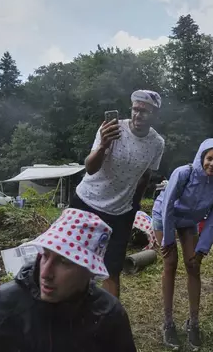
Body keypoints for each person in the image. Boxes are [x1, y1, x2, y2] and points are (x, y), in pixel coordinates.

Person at [0, 208, 137, 352]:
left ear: (89, 271)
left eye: (63, 262)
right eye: (45, 255)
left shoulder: (109, 314)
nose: (46, 273)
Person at [71, 90, 165, 297]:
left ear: (155, 115)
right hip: (86, 202)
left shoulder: (157, 143)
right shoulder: (112, 129)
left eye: (145, 112)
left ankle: (111, 320)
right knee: (72, 262)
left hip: (120, 213)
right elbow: (90, 168)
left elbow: (145, 176)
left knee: (112, 271)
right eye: (135, 109)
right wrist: (104, 145)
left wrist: (135, 207)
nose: (138, 115)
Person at [152, 138, 213, 351]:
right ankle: (168, 322)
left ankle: (193, 322)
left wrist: (201, 250)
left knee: (193, 266)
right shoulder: (183, 173)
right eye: (209, 158)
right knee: (170, 263)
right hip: (165, 215)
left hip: (189, 220)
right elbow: (168, 205)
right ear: (201, 157)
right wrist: (168, 240)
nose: (212, 164)